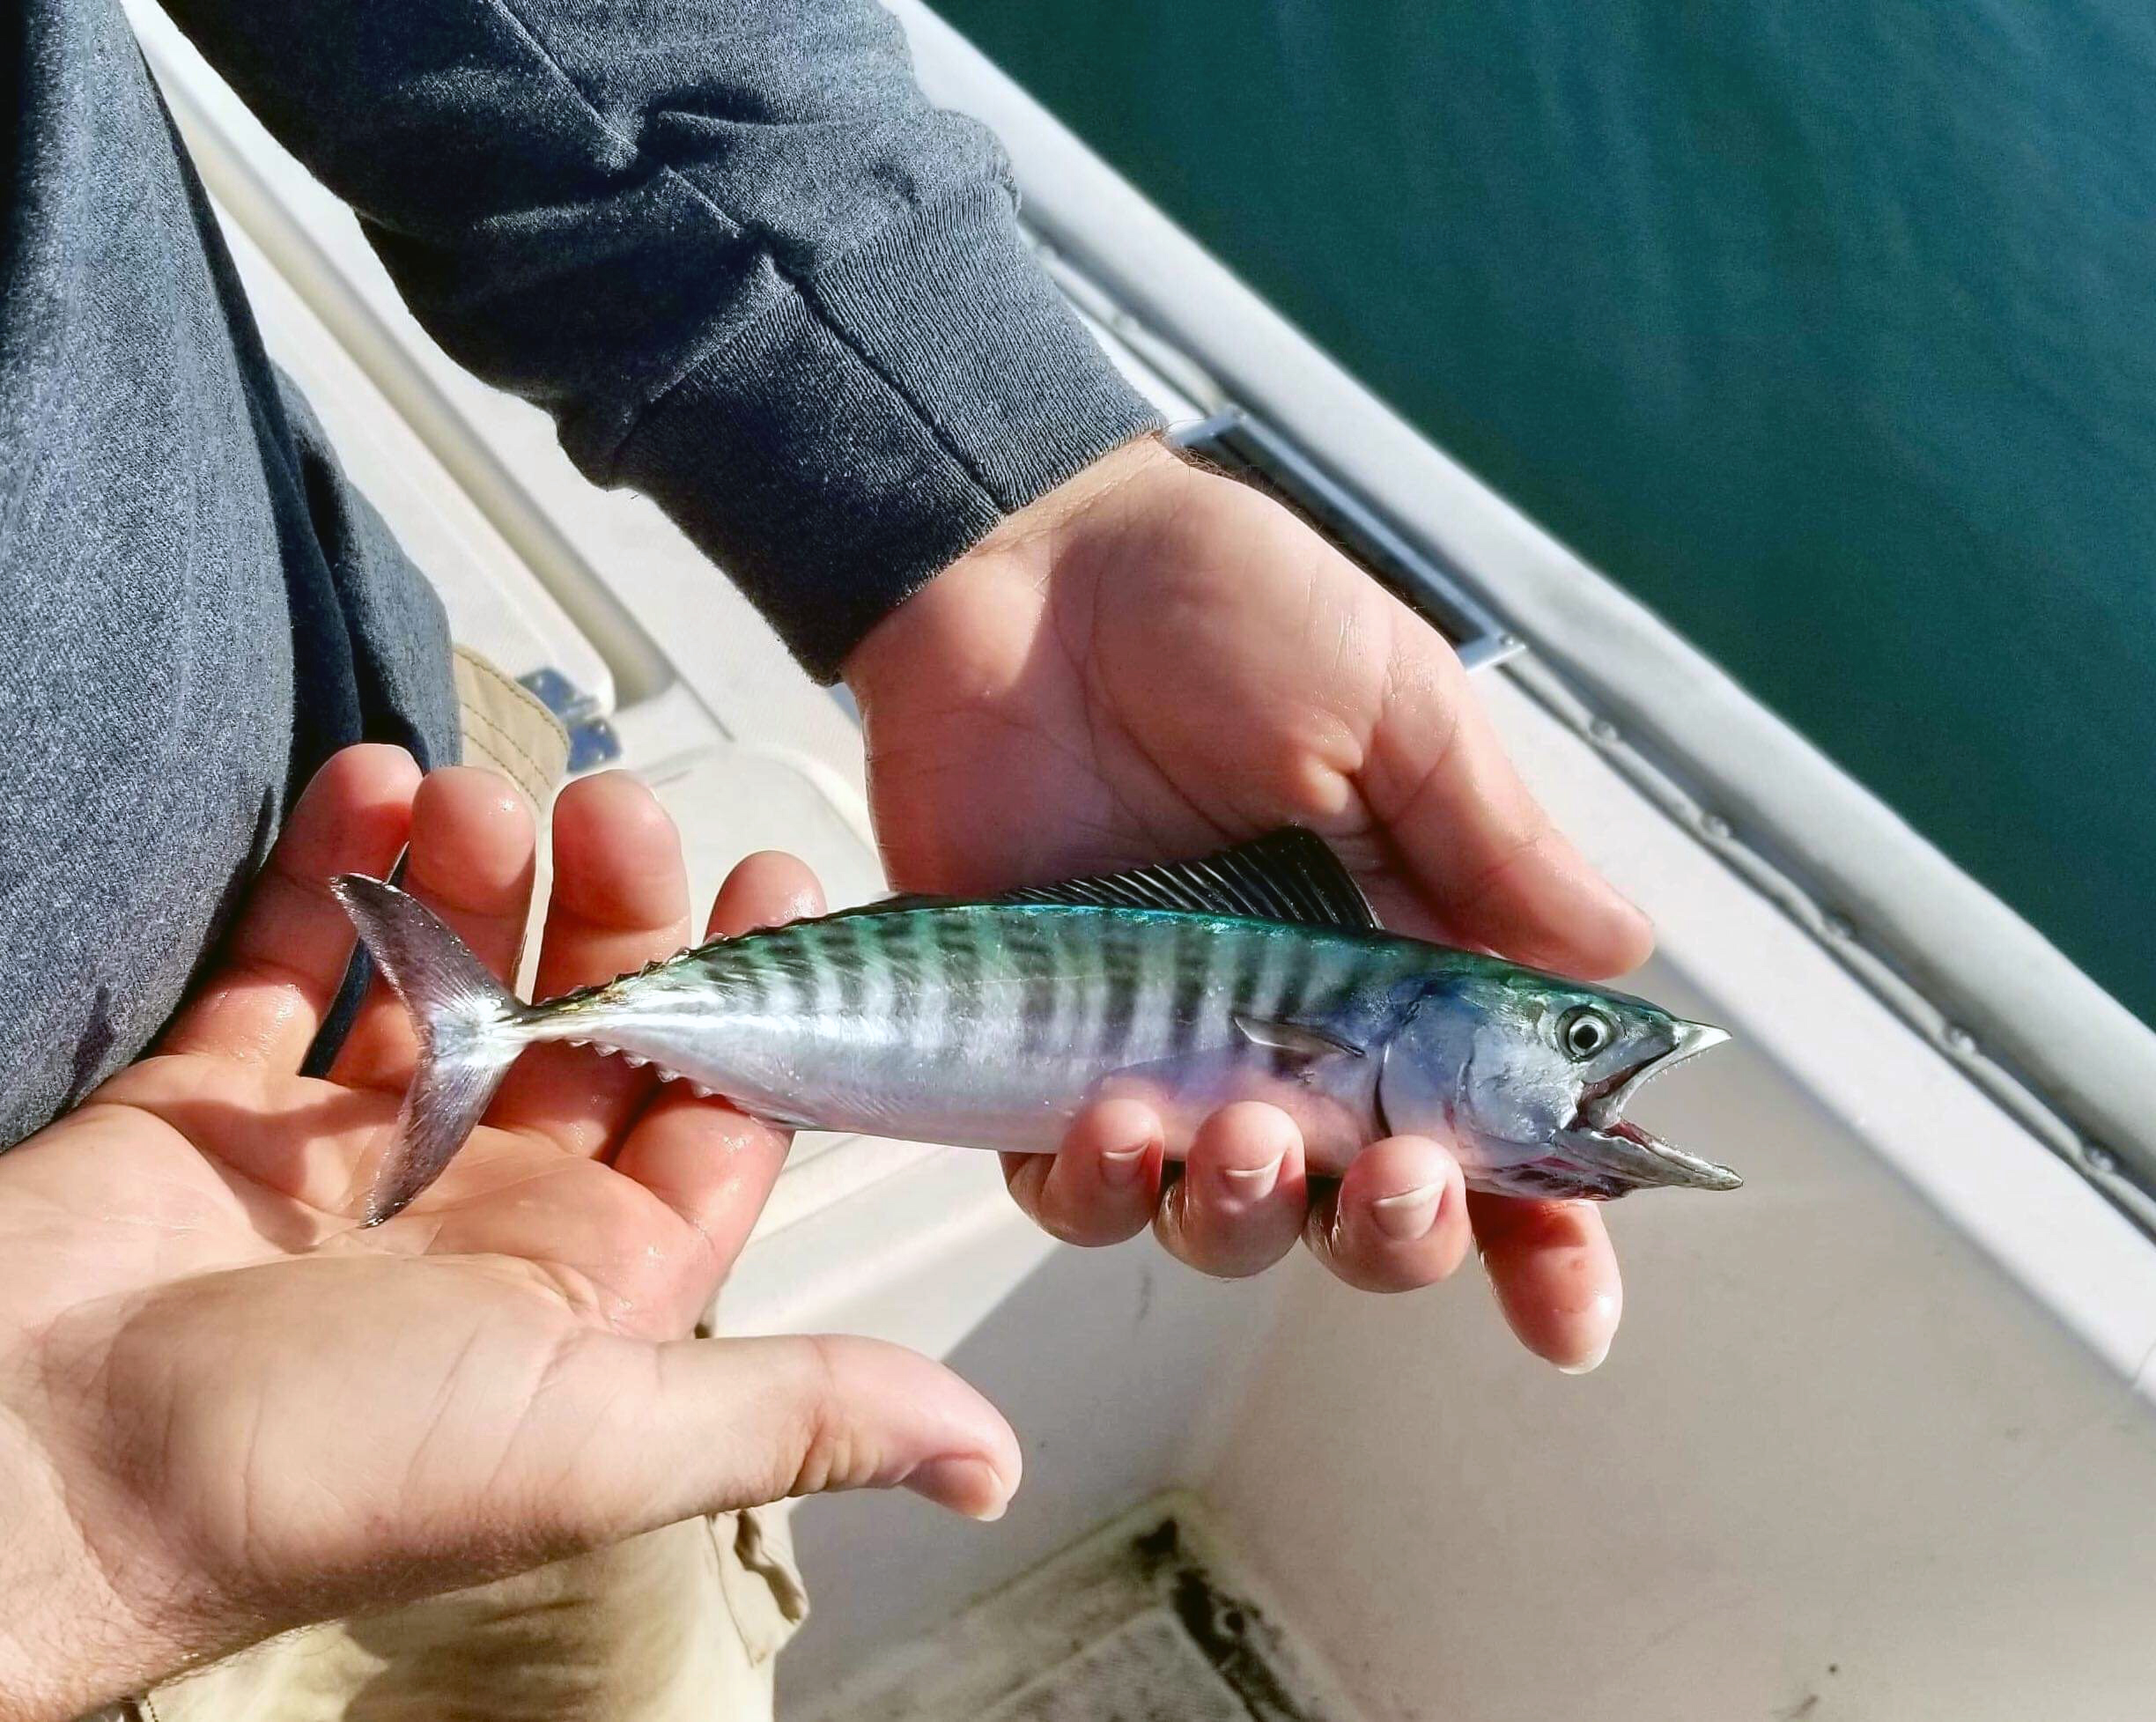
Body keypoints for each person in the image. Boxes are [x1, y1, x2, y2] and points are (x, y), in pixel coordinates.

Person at [0, 0, 1652, 1715]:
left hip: (341, 912)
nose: (1593, 1052)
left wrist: (992, 487)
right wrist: (48, 1535)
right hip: (165, 1348)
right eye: (1581, 1039)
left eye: (1587, 1039)